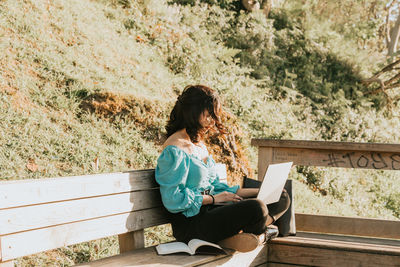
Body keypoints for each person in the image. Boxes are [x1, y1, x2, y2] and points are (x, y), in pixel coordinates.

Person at [155, 85, 290, 252]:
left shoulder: (199, 145)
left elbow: (219, 189)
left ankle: (249, 233)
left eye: (214, 115)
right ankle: (256, 232)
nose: (212, 120)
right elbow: (173, 199)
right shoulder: (174, 149)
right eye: (209, 114)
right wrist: (213, 199)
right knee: (257, 208)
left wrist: (259, 190)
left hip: (213, 211)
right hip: (192, 223)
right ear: (194, 111)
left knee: (281, 196)